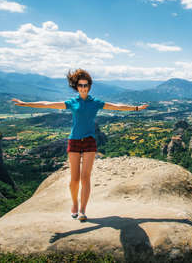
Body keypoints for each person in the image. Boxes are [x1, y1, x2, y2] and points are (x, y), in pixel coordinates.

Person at [12, 69, 148, 221]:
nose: (83, 87)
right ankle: (74, 204)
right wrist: (26, 104)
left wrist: (136, 108)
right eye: (80, 85)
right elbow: (47, 104)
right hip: (74, 141)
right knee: (74, 179)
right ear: (76, 86)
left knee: (85, 178)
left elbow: (117, 106)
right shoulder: (72, 102)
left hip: (89, 141)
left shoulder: (95, 103)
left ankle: (82, 210)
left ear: (89, 86)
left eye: (86, 85)